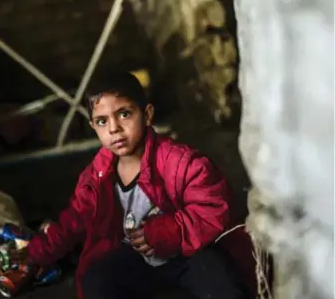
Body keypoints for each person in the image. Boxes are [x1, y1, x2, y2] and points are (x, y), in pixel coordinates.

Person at [13, 71, 247, 299]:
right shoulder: (98, 175)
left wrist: (167, 231)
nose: (114, 128)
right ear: (93, 127)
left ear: (147, 115)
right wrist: (38, 254)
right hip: (137, 260)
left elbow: (214, 206)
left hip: (187, 255)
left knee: (219, 278)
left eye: (124, 114)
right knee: (96, 278)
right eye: (102, 121)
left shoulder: (180, 162)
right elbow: (75, 220)